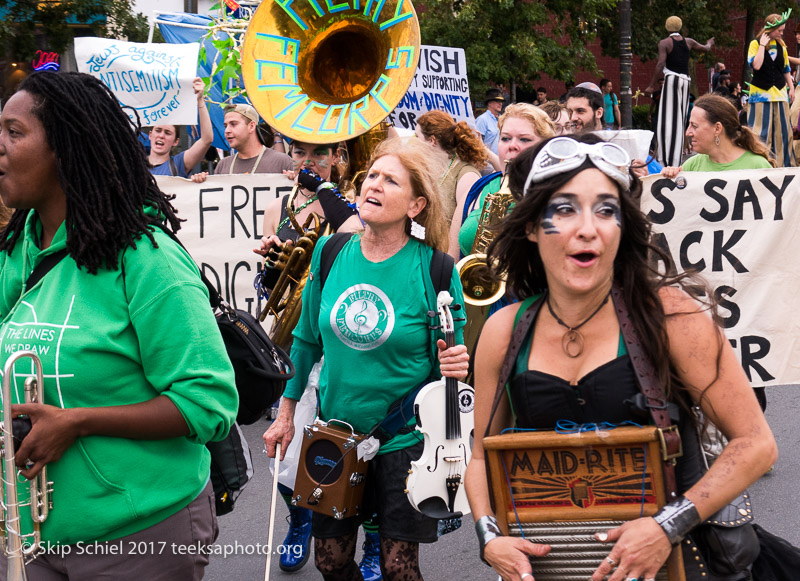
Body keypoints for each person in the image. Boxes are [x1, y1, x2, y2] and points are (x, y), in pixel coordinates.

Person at [464, 133, 777, 581]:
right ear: (532, 227)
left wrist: (666, 527)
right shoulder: (504, 331)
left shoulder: (670, 316)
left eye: (606, 210)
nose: (587, 227)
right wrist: (489, 537)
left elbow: (756, 444)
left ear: (623, 227)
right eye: (565, 208)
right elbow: (480, 458)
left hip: (679, 565)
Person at [0, 71, 238, 579]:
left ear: (64, 147)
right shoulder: (19, 249)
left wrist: (79, 422)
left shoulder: (149, 260)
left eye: (14, 132)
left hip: (139, 536)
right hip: (36, 532)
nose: (0, 145)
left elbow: (208, 403)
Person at [264, 137, 470, 581]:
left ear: (415, 205)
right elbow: (304, 341)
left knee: (399, 569)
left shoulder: (436, 269)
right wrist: (284, 415)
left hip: (404, 442)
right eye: (372, 175)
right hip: (336, 434)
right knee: (330, 561)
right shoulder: (331, 251)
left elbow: (453, 366)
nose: (373, 185)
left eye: (390, 180)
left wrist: (457, 366)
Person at [254, 138, 362, 575]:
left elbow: (354, 235)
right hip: (292, 331)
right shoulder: (278, 206)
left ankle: (360, 533)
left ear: (337, 157)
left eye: (320, 154)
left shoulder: (350, 201)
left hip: (338, 331)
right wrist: (270, 262)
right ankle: (299, 522)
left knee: (348, 442)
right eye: (300, 153)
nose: (308, 161)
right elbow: (269, 282)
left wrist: (320, 189)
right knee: (288, 441)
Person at [455, 103, 556, 260]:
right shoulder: (479, 189)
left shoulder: (558, 194)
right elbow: (451, 259)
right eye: (505, 138)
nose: (512, 146)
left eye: (524, 139)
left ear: (545, 147)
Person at [645, 16, 714, 167]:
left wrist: (651, 85)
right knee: (680, 120)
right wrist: (710, 42)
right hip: (685, 81)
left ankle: (665, 160)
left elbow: (661, 63)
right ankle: (676, 160)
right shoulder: (688, 42)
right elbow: (706, 48)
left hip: (672, 79)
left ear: (666, 27)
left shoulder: (665, 43)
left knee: (666, 119)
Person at [415, 110, 487, 227]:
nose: (414, 141)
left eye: (417, 136)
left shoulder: (466, 175)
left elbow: (467, 229)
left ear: (432, 140)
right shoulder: (425, 167)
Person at [746, 11, 796, 167]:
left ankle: (784, 165)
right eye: (779, 30)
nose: (782, 33)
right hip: (760, 95)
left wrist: (792, 88)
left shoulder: (782, 46)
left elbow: (786, 69)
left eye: (783, 30)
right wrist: (762, 45)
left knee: (783, 133)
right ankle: (761, 165)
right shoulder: (755, 44)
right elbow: (757, 65)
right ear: (770, 28)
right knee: (760, 133)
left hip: (780, 94)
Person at [148, 77, 213, 178]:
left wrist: (200, 100)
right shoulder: (135, 164)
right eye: (158, 130)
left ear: (176, 141)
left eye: (167, 133)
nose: (161, 135)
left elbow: (206, 139)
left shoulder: (178, 164)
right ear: (150, 135)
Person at [475, 88, 505, 154]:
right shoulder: (482, 119)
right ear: (489, 103)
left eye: (501, 101)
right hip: (487, 162)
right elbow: (477, 144)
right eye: (497, 101)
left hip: (501, 161)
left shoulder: (503, 119)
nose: (500, 104)